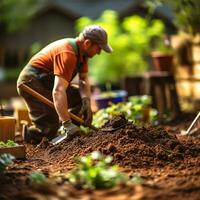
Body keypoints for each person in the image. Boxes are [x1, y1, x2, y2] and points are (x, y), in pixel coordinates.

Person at [17, 25, 113, 144]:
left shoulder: (82, 55)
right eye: (98, 48)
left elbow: (83, 80)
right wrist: (66, 123)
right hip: (32, 82)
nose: (99, 53)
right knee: (48, 128)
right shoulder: (67, 53)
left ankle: (70, 133)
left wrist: (86, 101)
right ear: (87, 43)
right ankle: (31, 134)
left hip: (47, 83)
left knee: (80, 97)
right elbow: (58, 91)